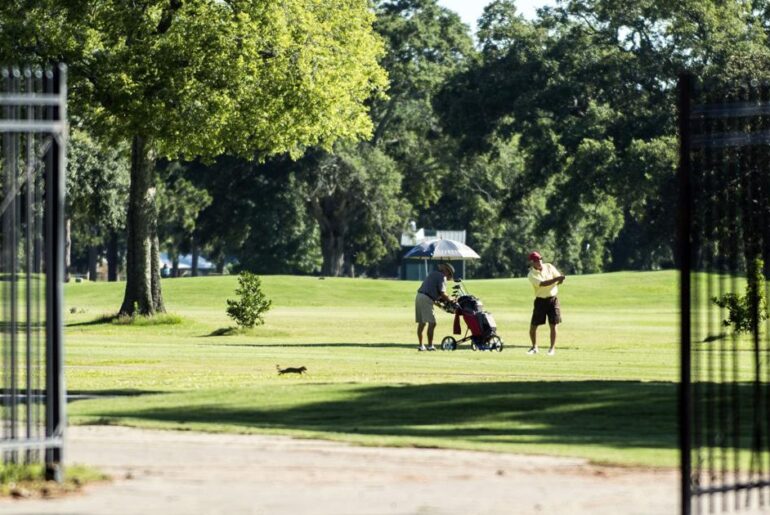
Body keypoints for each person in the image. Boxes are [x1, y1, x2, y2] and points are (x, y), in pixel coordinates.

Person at [526, 251, 565, 356]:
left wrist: (561, 279)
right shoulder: (531, 274)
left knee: (553, 325)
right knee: (533, 326)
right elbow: (543, 284)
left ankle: (552, 349)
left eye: (539, 259)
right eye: (535, 260)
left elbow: (558, 280)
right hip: (540, 301)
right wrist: (557, 279)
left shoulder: (549, 266)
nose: (538, 261)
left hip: (553, 299)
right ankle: (534, 347)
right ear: (531, 262)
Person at [415, 263, 455, 351]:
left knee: (422, 323)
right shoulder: (441, 276)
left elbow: (436, 295)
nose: (448, 276)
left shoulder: (433, 273)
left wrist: (441, 302)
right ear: (446, 271)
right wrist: (451, 300)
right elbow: (443, 293)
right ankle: (430, 346)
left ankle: (421, 346)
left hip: (419, 296)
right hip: (426, 298)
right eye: (449, 274)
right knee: (432, 323)